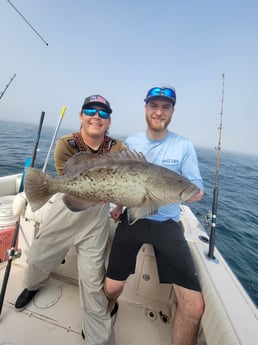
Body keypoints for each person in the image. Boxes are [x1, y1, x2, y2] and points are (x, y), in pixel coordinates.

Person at [15, 94, 127, 345]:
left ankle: (97, 334)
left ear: (109, 122)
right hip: (67, 205)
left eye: (104, 113)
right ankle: (33, 284)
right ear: (81, 116)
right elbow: (69, 182)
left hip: (96, 219)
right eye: (91, 110)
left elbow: (126, 179)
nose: (97, 116)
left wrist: (119, 204)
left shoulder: (119, 148)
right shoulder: (66, 143)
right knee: (38, 257)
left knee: (92, 280)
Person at [104, 85, 205, 345]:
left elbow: (196, 188)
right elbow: (120, 181)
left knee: (194, 307)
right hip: (133, 217)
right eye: (154, 106)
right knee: (111, 288)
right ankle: (110, 309)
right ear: (146, 108)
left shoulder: (183, 145)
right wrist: (118, 205)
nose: (159, 112)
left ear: (172, 111)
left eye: (165, 107)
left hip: (167, 223)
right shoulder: (133, 143)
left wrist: (189, 192)